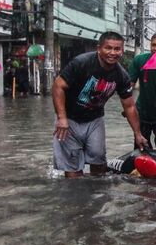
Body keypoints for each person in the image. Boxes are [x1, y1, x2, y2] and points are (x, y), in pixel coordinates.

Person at [52, 30, 146, 178]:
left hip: (94, 119)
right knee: (73, 169)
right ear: (99, 48)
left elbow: (129, 106)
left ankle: (97, 196)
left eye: (117, 49)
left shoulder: (121, 76)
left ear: (122, 51)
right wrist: (61, 118)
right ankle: (75, 198)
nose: (112, 53)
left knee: (99, 163)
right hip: (68, 119)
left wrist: (138, 133)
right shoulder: (81, 63)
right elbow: (58, 86)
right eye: (108, 48)